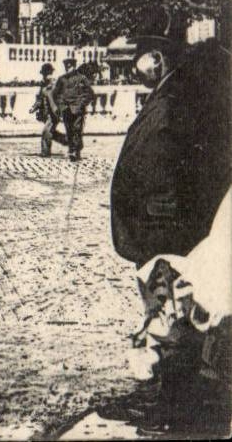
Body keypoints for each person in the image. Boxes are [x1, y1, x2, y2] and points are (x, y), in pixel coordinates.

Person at [104, 32, 231, 436]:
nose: (135, 66)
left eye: (140, 57)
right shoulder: (169, 93)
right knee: (166, 315)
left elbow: (187, 168)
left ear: (158, 58)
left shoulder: (178, 99)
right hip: (157, 226)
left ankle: (175, 409)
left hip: (167, 230)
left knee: (175, 318)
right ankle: (167, 399)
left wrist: (168, 219)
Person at [51, 56, 95, 161]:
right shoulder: (62, 79)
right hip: (66, 109)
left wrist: (81, 104)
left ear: (74, 66)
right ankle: (72, 149)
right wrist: (61, 105)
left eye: (69, 66)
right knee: (69, 130)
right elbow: (55, 94)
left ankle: (75, 151)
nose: (67, 68)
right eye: (66, 66)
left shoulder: (82, 78)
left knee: (77, 129)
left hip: (77, 109)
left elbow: (90, 93)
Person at [31, 62, 61, 157]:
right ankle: (69, 141)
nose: (46, 76)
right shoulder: (43, 85)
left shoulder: (55, 85)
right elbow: (40, 99)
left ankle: (45, 152)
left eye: (48, 73)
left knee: (46, 131)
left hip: (54, 113)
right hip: (46, 113)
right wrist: (34, 108)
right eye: (44, 74)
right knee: (51, 132)